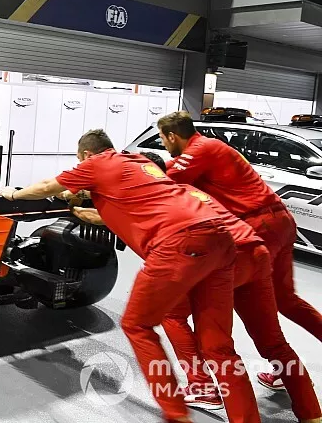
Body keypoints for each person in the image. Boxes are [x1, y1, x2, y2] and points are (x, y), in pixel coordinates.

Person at [0, 129, 260, 423]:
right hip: (220, 240)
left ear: (86, 155)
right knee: (219, 346)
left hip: (178, 242)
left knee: (137, 325)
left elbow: (48, 185)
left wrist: (14, 194)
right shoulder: (136, 162)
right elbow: (105, 212)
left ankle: (176, 414)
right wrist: (78, 200)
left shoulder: (97, 162)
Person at [115, 152, 319, 421]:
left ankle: (201, 386)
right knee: (273, 341)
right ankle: (311, 413)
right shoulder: (191, 189)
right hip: (254, 254)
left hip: (217, 266)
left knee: (181, 322)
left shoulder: (154, 201)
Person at [158, 111, 322, 390]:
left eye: (162, 139)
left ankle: (222, 379)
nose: (162, 144)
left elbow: (162, 184)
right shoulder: (209, 147)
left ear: (173, 136)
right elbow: (169, 167)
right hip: (280, 221)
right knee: (285, 299)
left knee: (249, 300)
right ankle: (282, 366)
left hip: (257, 226)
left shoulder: (199, 150)